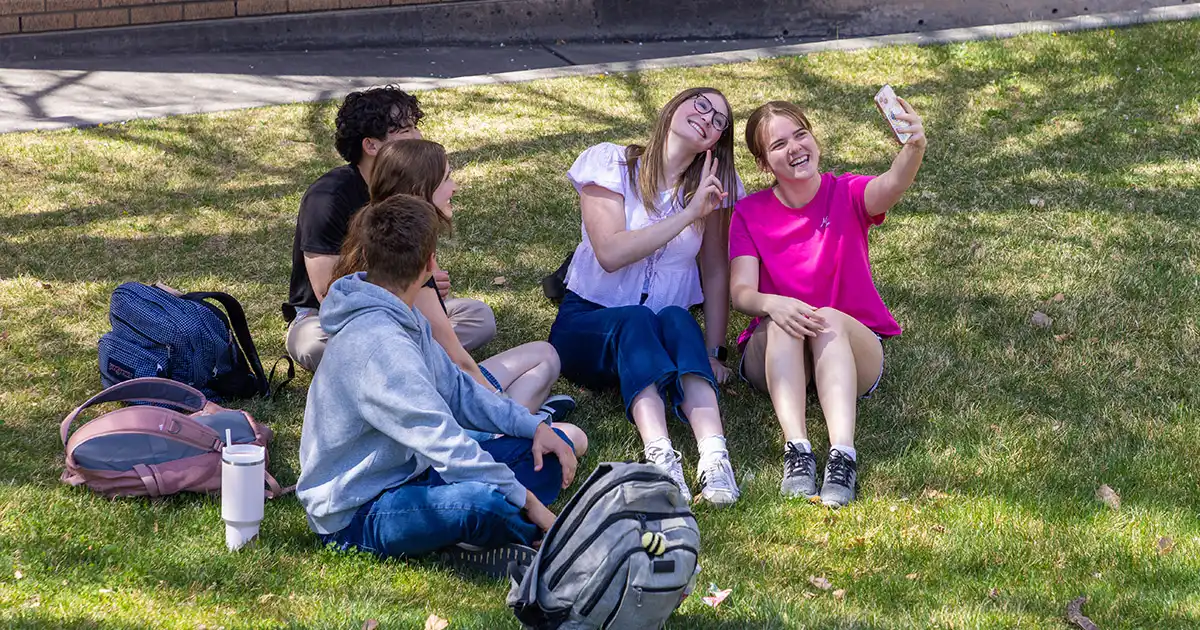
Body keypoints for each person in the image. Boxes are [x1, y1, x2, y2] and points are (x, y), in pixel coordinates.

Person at [296, 194, 579, 572]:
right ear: (430, 264)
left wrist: (534, 426)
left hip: (411, 472)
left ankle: (479, 535)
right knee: (484, 505)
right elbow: (443, 441)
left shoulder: (402, 314)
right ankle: (532, 540)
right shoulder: (381, 345)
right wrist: (530, 504)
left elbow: (462, 393)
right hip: (357, 512)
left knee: (545, 453)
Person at [548, 87, 743, 506]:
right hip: (588, 324)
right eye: (701, 105)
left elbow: (714, 268)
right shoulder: (612, 164)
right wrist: (689, 216)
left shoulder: (711, 186)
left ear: (715, 141)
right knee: (636, 320)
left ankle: (714, 455)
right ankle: (661, 457)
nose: (707, 117)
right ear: (674, 107)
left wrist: (715, 350)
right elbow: (612, 252)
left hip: (658, 331)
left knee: (676, 317)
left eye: (719, 121)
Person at [729, 98, 927, 507]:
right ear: (765, 163)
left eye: (801, 135)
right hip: (776, 353)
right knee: (788, 318)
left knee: (828, 318)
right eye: (780, 144)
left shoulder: (847, 192)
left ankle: (842, 456)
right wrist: (774, 304)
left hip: (849, 350)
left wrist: (914, 148)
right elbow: (741, 292)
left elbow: (891, 185)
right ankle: (797, 451)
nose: (796, 147)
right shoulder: (749, 213)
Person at [333, 138, 583, 436]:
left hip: (424, 388)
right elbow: (458, 360)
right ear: (420, 189)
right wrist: (502, 409)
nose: (455, 187)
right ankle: (514, 428)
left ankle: (522, 418)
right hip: (429, 402)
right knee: (568, 428)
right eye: (447, 178)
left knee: (545, 355)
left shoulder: (373, 234)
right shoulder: (408, 263)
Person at [283, 86, 496, 372]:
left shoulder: (412, 186)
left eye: (415, 126)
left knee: (479, 317)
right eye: (405, 130)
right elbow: (328, 293)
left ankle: (395, 359)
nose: (418, 137)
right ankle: (413, 356)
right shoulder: (328, 198)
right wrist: (409, 285)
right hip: (333, 316)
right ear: (371, 146)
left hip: (402, 309)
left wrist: (424, 279)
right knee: (311, 343)